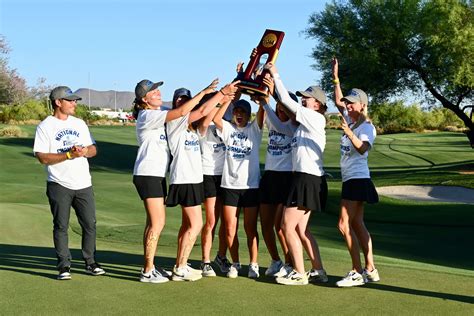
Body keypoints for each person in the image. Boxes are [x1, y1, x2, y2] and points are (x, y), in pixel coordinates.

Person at [132, 79, 215, 283]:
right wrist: (203, 91)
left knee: (153, 223)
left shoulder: (157, 115)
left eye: (158, 90)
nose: (158, 93)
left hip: (157, 174)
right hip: (148, 173)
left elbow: (192, 114)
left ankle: (150, 266)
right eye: (153, 92)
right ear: (144, 99)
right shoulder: (148, 115)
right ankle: (147, 271)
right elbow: (180, 113)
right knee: (158, 223)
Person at [166, 80, 238, 281]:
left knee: (188, 225)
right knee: (197, 224)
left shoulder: (194, 130)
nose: (183, 102)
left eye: (186, 100)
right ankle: (181, 267)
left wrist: (225, 98)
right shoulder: (174, 123)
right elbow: (201, 111)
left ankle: (181, 264)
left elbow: (205, 118)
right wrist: (216, 93)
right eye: (180, 100)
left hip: (194, 180)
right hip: (183, 179)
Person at [33, 86, 105, 280]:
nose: (74, 103)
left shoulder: (79, 124)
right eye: (70, 100)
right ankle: (64, 266)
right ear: (58, 102)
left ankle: (90, 262)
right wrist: (68, 154)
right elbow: (42, 157)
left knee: (90, 224)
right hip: (59, 183)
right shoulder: (45, 126)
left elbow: (93, 149)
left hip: (83, 183)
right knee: (61, 226)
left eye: (75, 100)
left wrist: (84, 152)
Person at [265, 63, 328, 286]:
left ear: (318, 104)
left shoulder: (316, 118)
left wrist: (275, 75)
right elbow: (280, 118)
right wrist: (267, 94)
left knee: (286, 226)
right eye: (302, 97)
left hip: (306, 178)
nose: (303, 99)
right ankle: (318, 270)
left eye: (307, 98)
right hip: (307, 178)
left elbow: (287, 102)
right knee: (301, 228)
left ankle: (299, 273)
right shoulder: (301, 125)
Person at [332, 58, 380, 287]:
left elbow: (362, 149)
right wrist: (336, 78)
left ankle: (356, 271)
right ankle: (370, 268)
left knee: (344, 225)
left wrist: (348, 133)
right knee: (358, 223)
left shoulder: (366, 127)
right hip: (351, 179)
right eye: (347, 103)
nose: (348, 106)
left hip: (358, 179)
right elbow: (337, 100)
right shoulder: (351, 123)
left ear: (362, 105)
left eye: (352, 104)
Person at [213, 92, 265, 279]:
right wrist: (227, 98)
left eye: (243, 111)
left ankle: (254, 264)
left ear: (249, 114)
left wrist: (261, 99)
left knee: (250, 228)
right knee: (229, 228)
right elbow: (215, 117)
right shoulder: (228, 129)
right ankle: (235, 263)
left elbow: (262, 112)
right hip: (230, 185)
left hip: (250, 187)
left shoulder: (254, 129)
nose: (239, 114)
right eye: (236, 111)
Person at [258, 76, 298, 277]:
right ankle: (276, 260)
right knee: (265, 223)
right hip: (270, 177)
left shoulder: (294, 126)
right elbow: (265, 111)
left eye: (284, 108)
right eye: (279, 108)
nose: (280, 111)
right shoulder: (272, 119)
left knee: (280, 226)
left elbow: (279, 124)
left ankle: (291, 263)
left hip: (286, 179)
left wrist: (267, 102)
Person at [196, 92, 234, 276]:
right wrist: (221, 100)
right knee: (211, 220)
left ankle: (220, 256)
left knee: (225, 222)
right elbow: (204, 123)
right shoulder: (203, 125)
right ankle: (205, 261)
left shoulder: (225, 125)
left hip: (225, 176)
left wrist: (229, 98)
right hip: (208, 174)